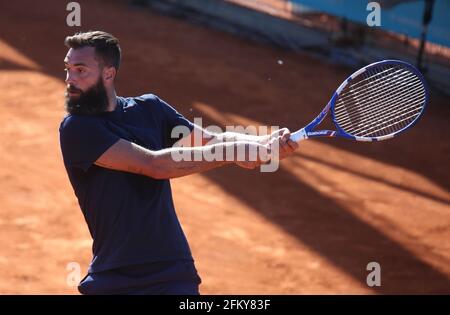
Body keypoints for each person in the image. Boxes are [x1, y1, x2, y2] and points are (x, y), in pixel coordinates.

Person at [59, 31, 298, 295]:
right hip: (115, 279)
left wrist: (263, 143)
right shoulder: (77, 129)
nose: (70, 79)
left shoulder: (150, 109)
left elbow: (209, 141)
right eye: (68, 69)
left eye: (80, 70)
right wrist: (235, 151)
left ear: (108, 73)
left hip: (172, 270)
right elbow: (154, 165)